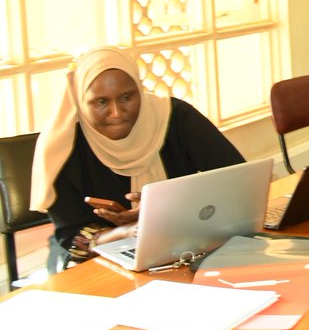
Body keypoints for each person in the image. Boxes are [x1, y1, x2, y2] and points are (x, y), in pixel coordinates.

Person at [30, 46, 245, 270]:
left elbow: (238, 178)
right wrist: (128, 231)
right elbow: (72, 238)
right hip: (95, 258)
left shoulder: (174, 118)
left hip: (181, 241)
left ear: (140, 89)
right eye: (101, 102)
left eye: (127, 97)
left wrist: (166, 209)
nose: (117, 112)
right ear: (79, 101)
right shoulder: (61, 147)